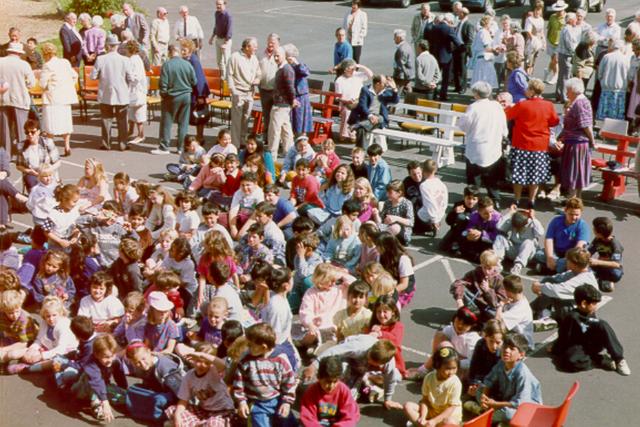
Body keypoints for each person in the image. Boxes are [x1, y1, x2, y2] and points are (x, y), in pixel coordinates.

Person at [504, 78, 559, 209]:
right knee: (535, 174)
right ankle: (531, 200)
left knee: (518, 174)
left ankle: (517, 199)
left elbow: (508, 115)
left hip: (522, 143)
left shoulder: (522, 105)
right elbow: (554, 122)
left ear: (532, 91)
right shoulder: (549, 105)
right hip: (539, 145)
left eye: (528, 88)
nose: (526, 90)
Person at [552, 284, 630, 375]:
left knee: (603, 324)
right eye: (594, 304)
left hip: (594, 342)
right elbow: (564, 337)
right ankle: (599, 359)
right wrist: (555, 348)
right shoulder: (572, 317)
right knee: (570, 362)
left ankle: (619, 359)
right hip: (579, 346)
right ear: (584, 304)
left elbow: (600, 329)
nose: (596, 306)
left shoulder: (591, 312)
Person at [233, 323, 297, 426]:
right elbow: (238, 384)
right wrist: (242, 402)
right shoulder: (246, 360)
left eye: (250, 345)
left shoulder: (280, 359)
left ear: (263, 347)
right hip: (256, 402)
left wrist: (287, 402)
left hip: (277, 398)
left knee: (287, 422)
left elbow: (289, 382)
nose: (248, 348)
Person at [473, 333, 542, 424]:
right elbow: (489, 381)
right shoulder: (501, 363)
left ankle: (485, 413)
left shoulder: (522, 373)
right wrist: (484, 397)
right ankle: (489, 413)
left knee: (507, 414)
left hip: (525, 408)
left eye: (512, 349)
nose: (506, 350)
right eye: (505, 346)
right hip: (505, 399)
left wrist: (495, 404)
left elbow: (520, 403)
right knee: (480, 389)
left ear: (521, 355)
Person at [458, 81, 507, 207]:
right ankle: (495, 201)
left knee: (474, 179)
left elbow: (464, 126)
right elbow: (503, 127)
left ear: (476, 93)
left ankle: (472, 202)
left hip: (476, 149)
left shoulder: (474, 107)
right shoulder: (497, 106)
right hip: (493, 147)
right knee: (492, 179)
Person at [90, 34, 133, 152]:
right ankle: (122, 144)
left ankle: (106, 143)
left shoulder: (101, 59)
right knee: (122, 120)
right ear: (117, 46)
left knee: (106, 119)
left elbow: (93, 76)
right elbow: (131, 77)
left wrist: (102, 75)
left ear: (108, 46)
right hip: (122, 93)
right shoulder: (125, 60)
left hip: (105, 93)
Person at [153, 43, 197, 155]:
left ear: (169, 52)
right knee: (183, 123)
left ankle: (164, 147)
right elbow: (194, 81)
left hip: (172, 96)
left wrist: (164, 95)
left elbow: (163, 84)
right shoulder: (187, 64)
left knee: (167, 122)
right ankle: (181, 147)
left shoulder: (167, 65)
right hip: (186, 95)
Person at [403, 347, 463, 426]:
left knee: (450, 422)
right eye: (447, 369)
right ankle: (424, 424)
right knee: (408, 406)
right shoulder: (429, 378)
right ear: (437, 366)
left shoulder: (455, 383)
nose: (451, 372)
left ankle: (424, 425)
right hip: (432, 411)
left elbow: (451, 408)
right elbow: (425, 401)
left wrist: (434, 421)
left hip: (446, 416)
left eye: (454, 368)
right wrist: (423, 417)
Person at [558, 78, 594, 199]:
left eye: (568, 90)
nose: (566, 93)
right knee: (575, 174)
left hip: (577, 143)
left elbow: (586, 125)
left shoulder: (580, 103)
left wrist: (592, 142)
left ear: (573, 90)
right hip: (574, 141)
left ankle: (572, 201)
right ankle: (575, 200)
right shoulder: (579, 102)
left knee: (574, 174)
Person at [300, 355, 360, 426]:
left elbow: (350, 415)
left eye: (335, 381)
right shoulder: (312, 392)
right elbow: (308, 416)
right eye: (327, 382)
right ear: (319, 377)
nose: (331, 386)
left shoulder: (344, 390)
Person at [0, 42, 34, 154]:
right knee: (22, 130)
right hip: (20, 99)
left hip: (3, 99)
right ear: (19, 53)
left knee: (5, 131)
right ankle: (23, 154)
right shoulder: (24, 65)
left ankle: (6, 156)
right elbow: (31, 84)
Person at [348, 75, 399, 148]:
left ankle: (357, 127)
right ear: (378, 84)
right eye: (385, 83)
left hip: (379, 117)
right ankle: (361, 149)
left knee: (380, 119)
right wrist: (370, 116)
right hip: (366, 116)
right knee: (362, 129)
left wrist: (394, 88)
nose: (387, 85)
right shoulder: (366, 90)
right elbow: (362, 105)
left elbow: (395, 101)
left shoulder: (386, 91)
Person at [227, 37, 261, 149]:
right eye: (254, 46)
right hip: (239, 92)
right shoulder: (235, 57)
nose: (256, 48)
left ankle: (242, 141)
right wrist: (233, 90)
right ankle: (235, 145)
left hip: (249, 92)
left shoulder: (254, 58)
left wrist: (257, 80)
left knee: (246, 118)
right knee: (237, 120)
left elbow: (258, 73)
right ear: (247, 47)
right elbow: (229, 75)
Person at [16, 119, 61, 192]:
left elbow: (58, 162)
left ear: (38, 132)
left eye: (32, 132)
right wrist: (29, 171)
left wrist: (48, 170)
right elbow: (19, 165)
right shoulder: (21, 146)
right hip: (33, 174)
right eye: (27, 132)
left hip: (48, 172)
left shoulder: (47, 142)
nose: (29, 134)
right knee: (31, 181)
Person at [268, 46, 296, 158]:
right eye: (274, 55)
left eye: (277, 56)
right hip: (282, 104)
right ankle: (289, 152)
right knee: (286, 130)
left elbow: (290, 87)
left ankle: (272, 155)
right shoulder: (282, 68)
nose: (275, 58)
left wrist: (292, 100)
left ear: (284, 56)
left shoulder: (286, 69)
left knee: (274, 130)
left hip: (281, 104)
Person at [182, 39, 210, 143]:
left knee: (199, 114)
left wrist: (201, 96)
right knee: (194, 115)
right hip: (191, 92)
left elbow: (200, 78)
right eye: (182, 49)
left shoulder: (194, 60)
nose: (182, 52)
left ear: (190, 49)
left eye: (184, 50)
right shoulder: (186, 59)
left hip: (197, 94)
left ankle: (200, 137)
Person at [596, 38, 629, 121]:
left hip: (606, 88)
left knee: (604, 116)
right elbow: (629, 75)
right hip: (620, 90)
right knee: (616, 115)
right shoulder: (626, 59)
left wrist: (602, 80)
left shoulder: (606, 57)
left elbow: (600, 72)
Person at [589, 217, 624, 293]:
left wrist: (597, 262)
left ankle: (602, 278)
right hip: (600, 265)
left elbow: (616, 264)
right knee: (586, 268)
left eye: (594, 228)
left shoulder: (615, 245)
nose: (593, 229)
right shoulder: (597, 240)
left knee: (616, 274)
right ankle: (603, 279)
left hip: (612, 268)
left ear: (599, 233)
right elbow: (590, 251)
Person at [284, 44, 312, 137]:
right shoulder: (286, 66)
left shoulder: (299, 65)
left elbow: (305, 72)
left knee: (301, 121)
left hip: (301, 96)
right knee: (292, 120)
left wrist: (296, 63)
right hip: (291, 95)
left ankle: (302, 137)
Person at [415, 159, 447, 236]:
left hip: (429, 215)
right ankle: (434, 224)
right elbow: (445, 199)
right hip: (440, 212)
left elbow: (430, 202)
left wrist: (434, 220)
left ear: (423, 170)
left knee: (416, 209)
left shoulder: (424, 185)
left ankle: (429, 226)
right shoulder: (440, 183)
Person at [259, 33, 280, 137]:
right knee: (266, 115)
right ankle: (266, 136)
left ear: (278, 43)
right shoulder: (262, 54)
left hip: (276, 91)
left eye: (273, 42)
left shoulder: (280, 54)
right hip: (264, 89)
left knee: (276, 116)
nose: (270, 44)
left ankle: (275, 137)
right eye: (269, 41)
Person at [556, 13, 580, 103]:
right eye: (574, 19)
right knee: (566, 77)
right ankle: (564, 96)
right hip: (566, 55)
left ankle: (558, 94)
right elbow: (569, 45)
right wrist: (575, 53)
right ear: (570, 20)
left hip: (562, 54)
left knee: (561, 75)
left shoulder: (564, 28)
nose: (576, 20)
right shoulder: (568, 30)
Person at [470, 16, 498, 89]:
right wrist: (496, 50)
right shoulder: (484, 32)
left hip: (483, 59)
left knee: (484, 82)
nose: (491, 26)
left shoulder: (483, 32)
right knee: (485, 81)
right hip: (484, 59)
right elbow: (487, 48)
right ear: (486, 23)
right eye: (490, 24)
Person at [544, 1, 567, 86]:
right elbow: (549, 28)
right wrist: (546, 39)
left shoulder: (566, 18)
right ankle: (548, 70)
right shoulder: (552, 16)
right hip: (551, 41)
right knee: (553, 59)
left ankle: (555, 75)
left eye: (560, 10)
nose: (558, 12)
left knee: (555, 60)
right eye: (557, 10)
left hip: (560, 43)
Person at [209, 0, 233, 80]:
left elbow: (229, 30)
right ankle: (222, 77)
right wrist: (212, 37)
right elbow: (216, 26)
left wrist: (225, 43)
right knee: (219, 60)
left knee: (226, 60)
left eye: (220, 4)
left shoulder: (228, 15)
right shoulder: (216, 13)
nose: (218, 6)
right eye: (217, 4)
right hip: (218, 39)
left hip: (225, 40)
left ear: (224, 4)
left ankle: (228, 78)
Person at [523, 2, 545, 75]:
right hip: (531, 42)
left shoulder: (541, 19)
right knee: (529, 59)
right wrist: (534, 40)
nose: (537, 12)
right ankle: (526, 75)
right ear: (534, 10)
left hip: (538, 42)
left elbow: (542, 32)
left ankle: (530, 74)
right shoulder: (529, 19)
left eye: (539, 10)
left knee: (534, 59)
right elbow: (528, 31)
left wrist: (543, 41)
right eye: (536, 10)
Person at [392, 29, 414, 95]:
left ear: (399, 38)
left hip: (402, 76)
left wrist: (398, 75)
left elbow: (401, 65)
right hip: (407, 74)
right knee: (408, 90)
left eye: (395, 37)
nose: (394, 39)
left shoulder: (402, 49)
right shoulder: (406, 46)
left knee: (396, 92)